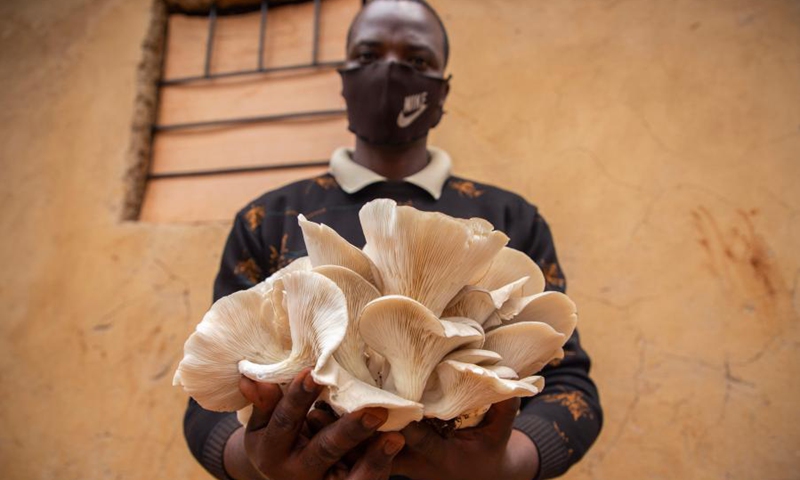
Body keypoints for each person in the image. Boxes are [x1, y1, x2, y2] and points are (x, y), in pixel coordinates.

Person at [182, 1, 603, 479]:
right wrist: (256, 461)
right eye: (368, 55)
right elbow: (209, 393)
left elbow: (569, 386)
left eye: (417, 60)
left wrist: (506, 464)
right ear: (344, 78)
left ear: (442, 91)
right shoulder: (269, 217)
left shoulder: (511, 217)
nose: (389, 72)